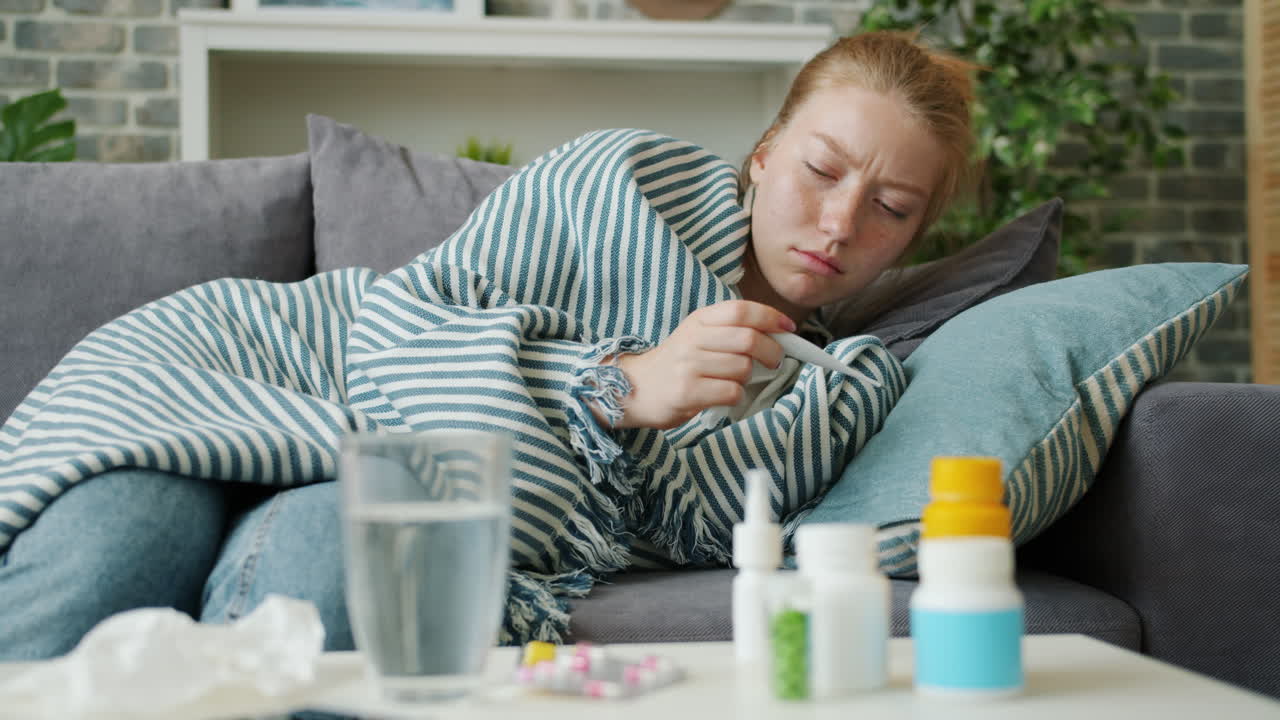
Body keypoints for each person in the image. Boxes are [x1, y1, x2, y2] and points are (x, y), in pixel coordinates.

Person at [0, 30, 976, 660]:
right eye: (817, 169)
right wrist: (615, 382)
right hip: (246, 372)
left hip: (366, 476)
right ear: (762, 157)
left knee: (334, 564)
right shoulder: (622, 183)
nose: (840, 220)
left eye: (889, 207)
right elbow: (405, 327)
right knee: (116, 543)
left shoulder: (828, 390)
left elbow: (697, 524)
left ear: (913, 235)